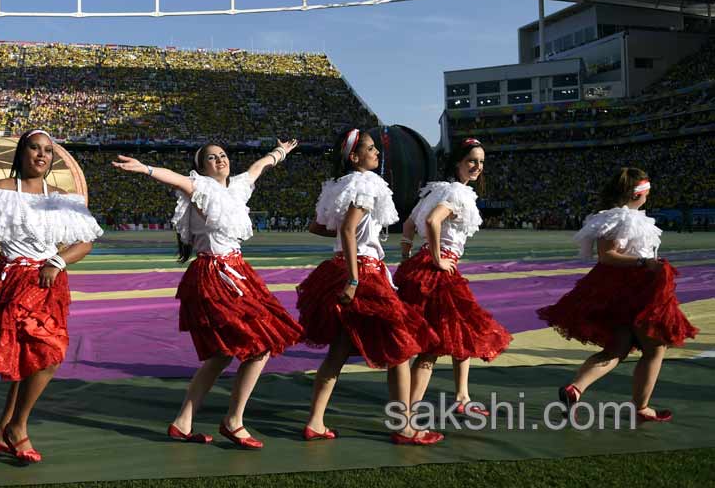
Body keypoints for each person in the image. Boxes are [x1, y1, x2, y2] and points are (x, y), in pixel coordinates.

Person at [112, 141, 302, 449]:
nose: (220, 160)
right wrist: (145, 169)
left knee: (222, 353)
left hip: (236, 272)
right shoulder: (198, 186)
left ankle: (183, 423)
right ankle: (233, 421)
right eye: (211, 158)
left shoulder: (238, 186)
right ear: (202, 167)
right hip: (216, 275)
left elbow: (259, 166)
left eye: (223, 155)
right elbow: (173, 177)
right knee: (259, 346)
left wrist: (281, 152)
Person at [0, 129, 102, 463]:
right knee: (45, 355)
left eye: (48, 151)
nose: (42, 155)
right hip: (11, 283)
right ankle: (16, 428)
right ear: (21, 153)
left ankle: (5, 429)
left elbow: (86, 241)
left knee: (41, 356)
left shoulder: (63, 197)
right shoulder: (1, 191)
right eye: (35, 148)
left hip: (48, 284)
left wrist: (58, 261)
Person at [297, 129, 442, 445]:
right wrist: (353, 275)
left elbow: (320, 227)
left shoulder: (339, 187)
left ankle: (315, 422)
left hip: (344, 267)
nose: (377, 153)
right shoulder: (366, 185)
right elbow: (349, 230)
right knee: (401, 350)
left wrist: (350, 242)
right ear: (354, 157)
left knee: (338, 351)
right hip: (364, 273)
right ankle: (404, 426)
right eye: (371, 149)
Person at [537, 168, 698, 421]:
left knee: (617, 348)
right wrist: (645, 263)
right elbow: (608, 255)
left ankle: (575, 389)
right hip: (636, 287)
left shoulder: (612, 217)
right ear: (638, 194)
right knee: (655, 348)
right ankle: (641, 407)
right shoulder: (624, 219)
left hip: (617, 288)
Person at [394, 137, 512, 417]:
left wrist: (406, 254)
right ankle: (409, 411)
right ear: (458, 162)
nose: (477, 166)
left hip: (424, 264)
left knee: (460, 330)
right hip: (438, 269)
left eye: (481, 162)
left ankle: (461, 396)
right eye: (472, 160)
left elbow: (409, 223)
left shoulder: (437, 190)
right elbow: (433, 221)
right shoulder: (456, 193)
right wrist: (437, 258)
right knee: (434, 345)